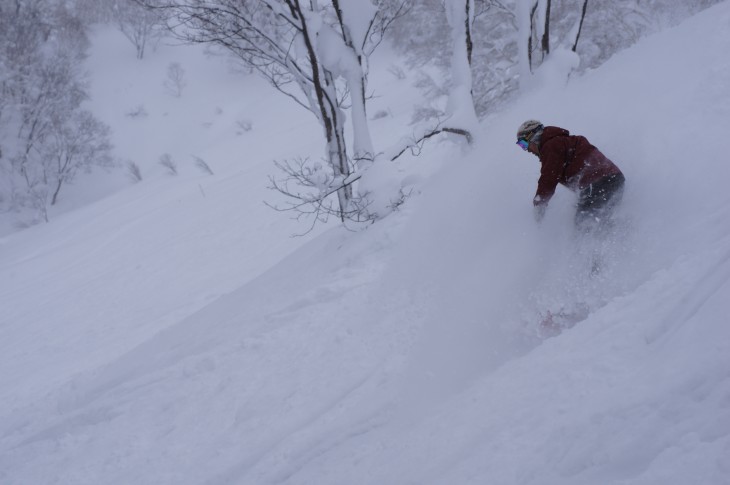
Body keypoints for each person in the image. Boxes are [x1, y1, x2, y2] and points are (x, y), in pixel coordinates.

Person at [516, 120, 625, 233]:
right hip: (612, 179)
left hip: (599, 182)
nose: (527, 150)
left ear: (533, 136)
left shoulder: (552, 145)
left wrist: (540, 203)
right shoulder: (561, 142)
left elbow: (549, 176)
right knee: (599, 222)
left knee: (584, 224)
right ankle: (623, 234)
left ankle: (590, 248)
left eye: (523, 144)